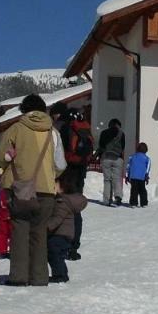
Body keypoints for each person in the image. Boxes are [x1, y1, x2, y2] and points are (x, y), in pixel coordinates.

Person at [0, 94, 60, 286]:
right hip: (47, 190)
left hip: (20, 189)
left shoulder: (14, 129)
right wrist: (49, 175)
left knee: (20, 230)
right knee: (40, 233)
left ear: (23, 110)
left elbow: (1, 158)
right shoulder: (53, 132)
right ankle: (39, 277)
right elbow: (61, 163)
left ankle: (18, 276)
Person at [51, 102, 88, 260]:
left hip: (65, 172)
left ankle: (60, 243)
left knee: (60, 207)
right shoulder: (81, 126)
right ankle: (74, 246)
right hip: (80, 172)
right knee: (75, 208)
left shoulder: (59, 127)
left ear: (57, 114)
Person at [47, 168, 88, 282]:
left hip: (60, 234)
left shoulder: (62, 202)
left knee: (54, 253)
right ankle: (61, 274)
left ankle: (60, 275)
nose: (54, 187)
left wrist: (46, 226)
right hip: (65, 235)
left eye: (56, 185)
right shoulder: (66, 200)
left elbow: (57, 219)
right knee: (58, 255)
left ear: (63, 187)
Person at [97, 118, 127, 206]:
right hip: (118, 158)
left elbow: (101, 145)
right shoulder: (122, 134)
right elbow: (123, 146)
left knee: (107, 180)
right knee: (117, 178)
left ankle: (107, 200)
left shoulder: (104, 133)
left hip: (106, 158)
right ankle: (118, 197)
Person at [126, 142, 151, 207]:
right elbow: (148, 168)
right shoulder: (147, 158)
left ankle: (133, 203)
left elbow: (128, 167)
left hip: (133, 176)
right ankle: (144, 203)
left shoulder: (131, 157)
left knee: (134, 190)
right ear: (146, 150)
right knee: (142, 190)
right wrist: (146, 175)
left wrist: (127, 176)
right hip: (142, 177)